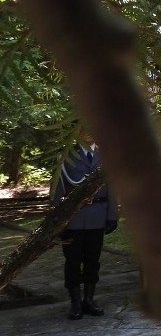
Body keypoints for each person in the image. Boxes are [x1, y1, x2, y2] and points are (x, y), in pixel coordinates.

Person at [52, 132, 118, 320]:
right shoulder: (66, 155)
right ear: (77, 132)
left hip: (98, 215)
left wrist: (112, 215)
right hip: (73, 217)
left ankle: (89, 299)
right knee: (72, 262)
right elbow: (57, 188)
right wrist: (58, 220)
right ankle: (75, 302)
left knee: (93, 261)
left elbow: (112, 186)